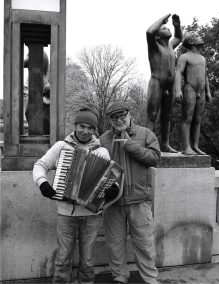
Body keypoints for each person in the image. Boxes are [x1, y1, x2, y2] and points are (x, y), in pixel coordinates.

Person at [33, 104, 110, 284]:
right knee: (62, 258)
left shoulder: (102, 152)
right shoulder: (61, 147)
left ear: (94, 130)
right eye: (82, 126)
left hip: (92, 215)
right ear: (75, 126)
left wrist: (110, 188)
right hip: (66, 214)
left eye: (90, 127)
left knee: (88, 260)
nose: (85, 131)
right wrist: (43, 183)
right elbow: (39, 166)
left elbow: (107, 181)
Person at [100, 101, 161, 284]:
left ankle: (150, 279)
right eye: (114, 117)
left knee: (144, 244)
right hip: (112, 203)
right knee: (115, 243)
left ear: (129, 114)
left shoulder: (145, 134)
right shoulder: (103, 139)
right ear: (110, 120)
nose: (119, 120)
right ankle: (120, 276)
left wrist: (131, 145)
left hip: (139, 200)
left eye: (122, 116)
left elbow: (155, 158)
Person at [146, 13, 182, 153]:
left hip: (170, 85)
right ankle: (148, 144)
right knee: (152, 115)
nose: (168, 29)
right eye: (164, 28)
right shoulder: (154, 46)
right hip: (156, 82)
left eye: (167, 28)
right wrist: (163, 19)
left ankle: (165, 144)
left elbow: (178, 37)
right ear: (158, 36)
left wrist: (177, 26)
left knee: (167, 116)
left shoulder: (170, 46)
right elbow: (149, 31)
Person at [173, 31, 212, 155]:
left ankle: (195, 146)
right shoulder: (185, 57)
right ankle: (186, 147)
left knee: (197, 119)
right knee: (187, 118)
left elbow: (205, 76)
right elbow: (178, 72)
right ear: (190, 42)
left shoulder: (203, 58)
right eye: (197, 36)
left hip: (201, 91)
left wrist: (208, 91)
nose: (200, 36)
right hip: (190, 88)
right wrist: (178, 90)